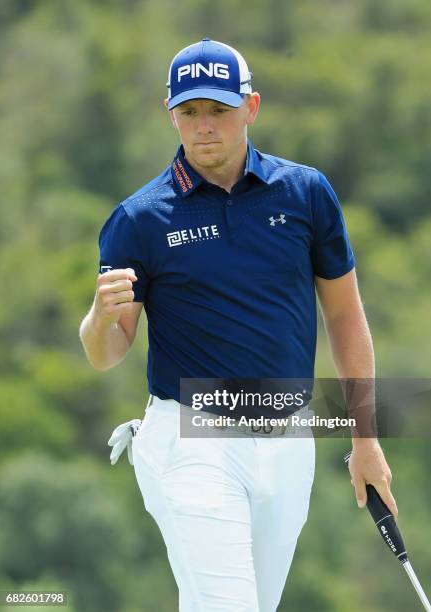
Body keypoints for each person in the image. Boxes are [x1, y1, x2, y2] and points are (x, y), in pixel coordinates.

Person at [79, 38, 398, 612]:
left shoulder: (306, 193)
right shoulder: (138, 219)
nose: (204, 127)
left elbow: (346, 316)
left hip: (288, 438)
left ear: (250, 108)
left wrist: (366, 437)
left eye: (219, 111)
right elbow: (106, 352)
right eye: (190, 112)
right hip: (190, 441)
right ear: (170, 113)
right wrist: (100, 317)